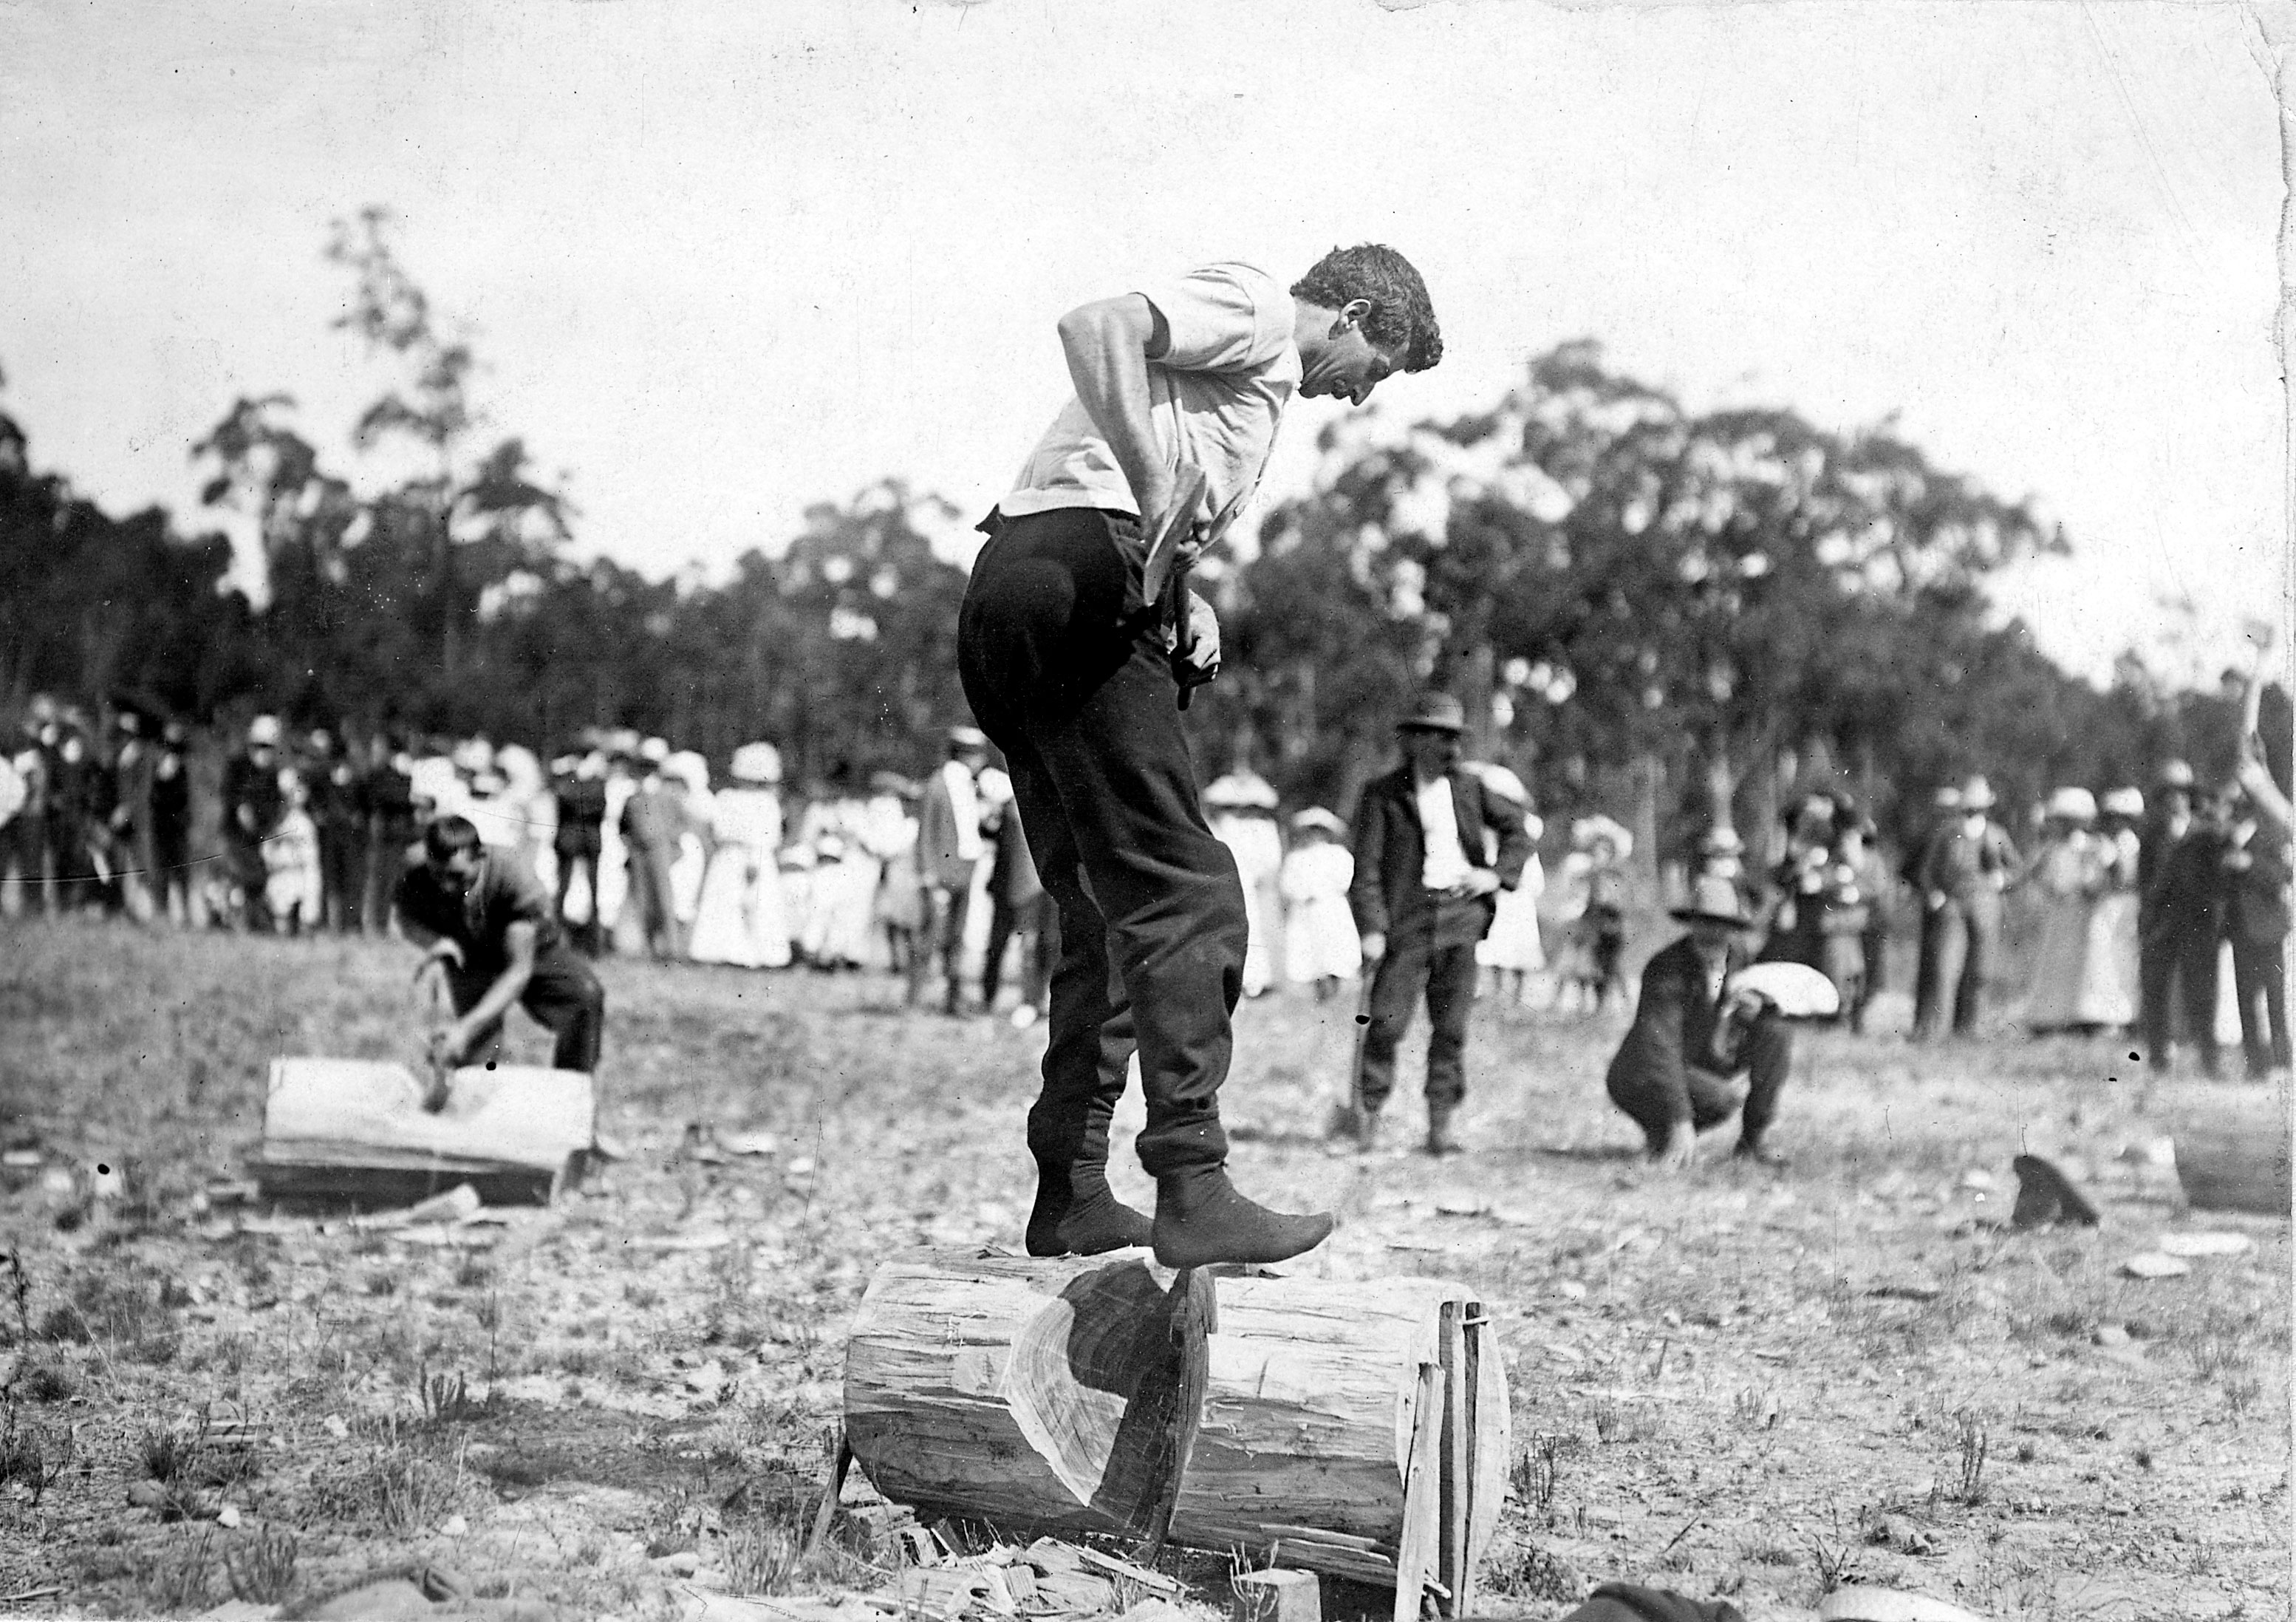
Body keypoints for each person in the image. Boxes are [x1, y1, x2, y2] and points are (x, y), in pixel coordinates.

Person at [957, 245, 1443, 1267]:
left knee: (1105, 907)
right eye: (1375, 367)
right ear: (1353, 312)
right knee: (1196, 898)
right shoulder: (1264, 310)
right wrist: (1150, 504)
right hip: (1079, 568)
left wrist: (1180, 586)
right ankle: (1194, 1181)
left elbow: (1139, 496)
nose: (1358, 396)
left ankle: (1073, 1188)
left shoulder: (1246, 373)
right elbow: (1095, 323)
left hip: (1013, 587)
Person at [1344, 692, 1534, 1155]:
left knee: (1451, 1028)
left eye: (1454, 736)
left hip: (1461, 919)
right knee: (1386, 1024)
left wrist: (1494, 876)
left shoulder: (1471, 788)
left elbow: (1519, 831)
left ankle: (1440, 1129)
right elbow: (1365, 870)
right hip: (1407, 921)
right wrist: (1371, 928)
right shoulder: (1382, 795)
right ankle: (1367, 1123)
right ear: (1412, 740)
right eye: (1437, 736)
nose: (1449, 746)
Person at [1604, 875, 1794, 1169]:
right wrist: (1681, 1120)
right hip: (1641, 1073)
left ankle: (1753, 1142)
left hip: (1701, 1063)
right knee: (1721, 1098)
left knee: (1777, 1032)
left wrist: (1756, 1013)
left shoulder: (1740, 957)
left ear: (1733, 927)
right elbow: (1659, 1049)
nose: (1713, 934)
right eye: (1705, 923)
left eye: (1722, 925)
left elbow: (1763, 1010)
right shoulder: (1666, 968)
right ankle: (1666, 1133)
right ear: (1691, 924)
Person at [395, 814, 606, 1077]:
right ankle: (466, 1104)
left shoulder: (514, 877)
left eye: (457, 876)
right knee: (475, 1056)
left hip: (534, 952)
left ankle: (572, 1092)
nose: (447, 887)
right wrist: (434, 942)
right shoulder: (415, 869)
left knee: (583, 996)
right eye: (439, 876)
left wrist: (465, 1028)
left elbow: (518, 972)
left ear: (480, 858)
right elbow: (405, 917)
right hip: (471, 953)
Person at [1910, 774, 2017, 1040]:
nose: (1974, 810)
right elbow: (1926, 870)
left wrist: (2002, 879)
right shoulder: (1948, 832)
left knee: (1981, 968)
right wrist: (1934, 893)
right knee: (1946, 967)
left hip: (1986, 903)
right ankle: (1939, 1028)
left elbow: (2016, 867)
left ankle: (1974, 1027)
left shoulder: (1996, 834)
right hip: (1954, 904)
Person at [2141, 777, 2228, 1077]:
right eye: (2168, 794)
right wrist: (2150, 915)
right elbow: (2145, 880)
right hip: (2162, 922)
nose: (2174, 800)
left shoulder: (2207, 834)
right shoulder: (2153, 835)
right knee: (2156, 991)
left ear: (2188, 798)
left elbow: (2218, 879)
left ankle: (2209, 1060)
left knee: (2202, 993)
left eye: (2179, 794)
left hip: (2197, 923)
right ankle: (2157, 1060)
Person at [689, 742, 793, 970]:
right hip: (730, 855)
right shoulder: (729, 798)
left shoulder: (764, 802)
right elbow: (717, 827)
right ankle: (723, 952)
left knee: (754, 903)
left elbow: (767, 837)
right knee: (727, 902)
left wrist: (754, 860)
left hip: (753, 855)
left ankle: (758, 954)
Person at [912, 727, 989, 1011]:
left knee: (957, 939)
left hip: (965, 869)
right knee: (930, 936)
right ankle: (914, 998)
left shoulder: (971, 786)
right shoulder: (938, 784)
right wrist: (928, 875)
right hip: (942, 873)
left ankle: (952, 999)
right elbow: (926, 833)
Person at [2220, 781, 2290, 1079]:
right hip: (2240, 930)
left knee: (2275, 1000)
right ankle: (2255, 1065)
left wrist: (2249, 864)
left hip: (2269, 930)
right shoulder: (2227, 841)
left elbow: (2280, 878)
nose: (2233, 813)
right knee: (2245, 1001)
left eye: (2239, 807)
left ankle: (2281, 1062)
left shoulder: (2270, 837)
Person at [1469, 764, 1546, 1006]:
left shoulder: (1523, 838)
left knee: (1520, 947)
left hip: (1518, 897)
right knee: (1497, 946)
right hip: (1500, 896)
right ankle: (1496, 991)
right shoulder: (1490, 840)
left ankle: (1517, 994)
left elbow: (1533, 877)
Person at [1279, 808, 1360, 1000]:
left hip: (1331, 908)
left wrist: (1326, 891)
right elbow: (1287, 884)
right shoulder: (1296, 857)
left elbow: (1345, 879)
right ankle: (1319, 993)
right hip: (1306, 910)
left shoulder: (1338, 854)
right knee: (1310, 952)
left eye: (1319, 831)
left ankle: (1334, 990)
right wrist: (1303, 894)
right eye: (1311, 831)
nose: (1315, 835)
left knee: (1334, 950)